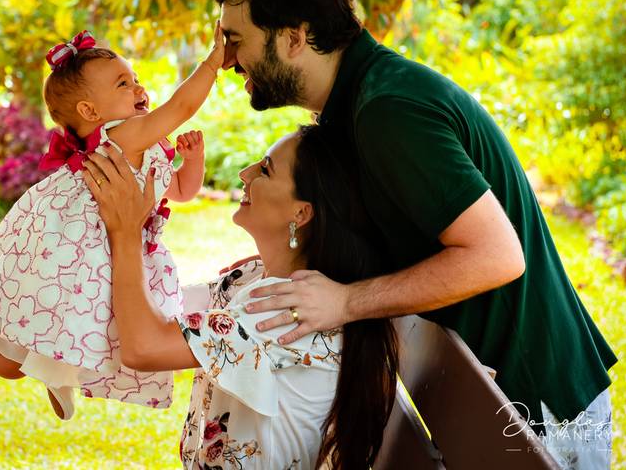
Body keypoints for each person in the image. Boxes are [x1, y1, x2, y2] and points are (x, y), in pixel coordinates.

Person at [212, 0, 616, 469]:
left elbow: (497, 256)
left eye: (234, 41)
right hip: (488, 401)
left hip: (534, 411)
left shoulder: (388, 110)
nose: (225, 62)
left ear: (294, 38)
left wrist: (346, 302)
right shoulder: (357, 106)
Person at [0, 26, 224, 421]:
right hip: (71, 266)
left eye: (136, 79)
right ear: (91, 114)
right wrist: (213, 62)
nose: (139, 88)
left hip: (106, 269)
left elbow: (180, 190)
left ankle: (54, 373)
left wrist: (192, 162)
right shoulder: (121, 136)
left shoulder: (148, 146)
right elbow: (180, 109)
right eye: (124, 84)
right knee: (10, 364)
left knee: (66, 347)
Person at [83, 125, 399, 470]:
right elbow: (160, 306)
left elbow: (144, 347)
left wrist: (126, 231)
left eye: (265, 170)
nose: (244, 174)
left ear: (301, 213)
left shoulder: (290, 307)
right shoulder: (257, 277)